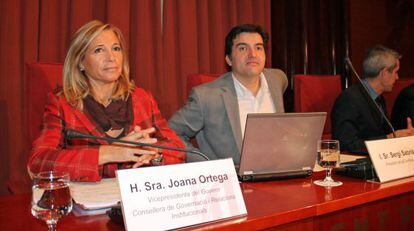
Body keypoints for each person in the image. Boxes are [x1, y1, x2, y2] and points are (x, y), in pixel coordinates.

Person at [27, 20, 185, 181]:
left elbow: (178, 149)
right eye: (98, 50)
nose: (111, 58)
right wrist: (108, 153)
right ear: (80, 62)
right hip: (90, 200)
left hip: (138, 197)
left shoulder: (142, 98)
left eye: (116, 49)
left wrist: (154, 155)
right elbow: (38, 162)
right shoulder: (62, 104)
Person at [168, 24, 288, 164]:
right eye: (243, 48)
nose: (253, 54)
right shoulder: (206, 97)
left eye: (258, 47)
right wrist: (205, 164)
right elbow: (170, 133)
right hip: (234, 180)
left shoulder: (278, 79)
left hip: (278, 172)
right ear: (229, 59)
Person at [331, 45, 414, 154]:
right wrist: (390, 137)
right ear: (384, 73)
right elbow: (345, 144)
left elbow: (383, 135)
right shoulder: (349, 99)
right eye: (395, 72)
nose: (397, 77)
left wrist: (402, 137)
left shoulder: (378, 98)